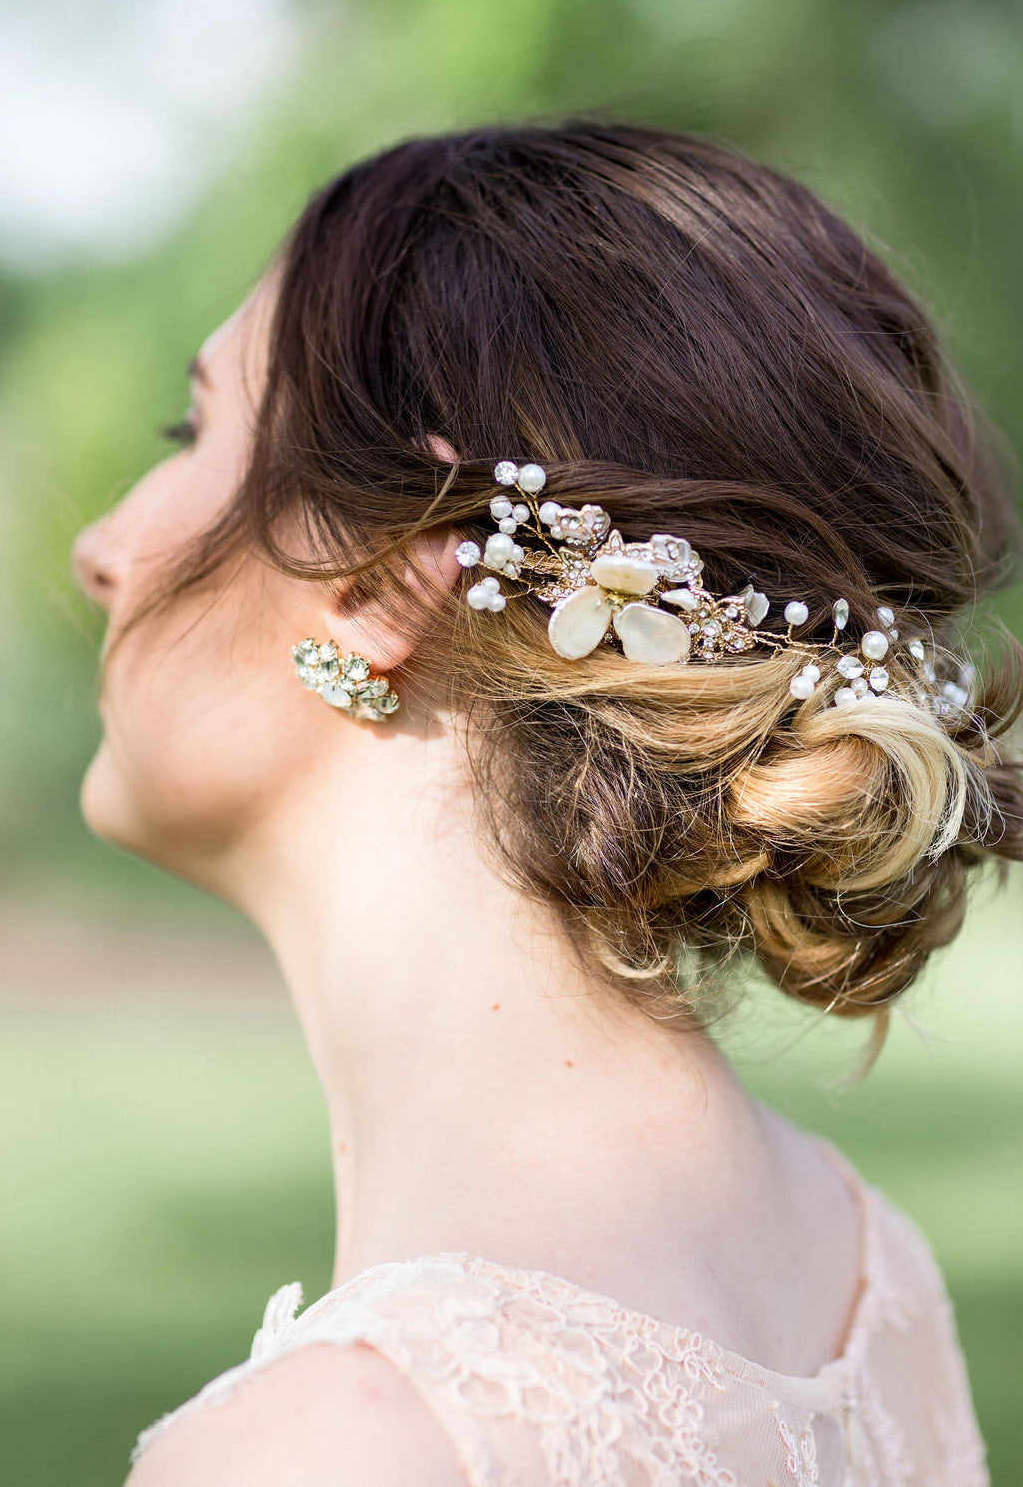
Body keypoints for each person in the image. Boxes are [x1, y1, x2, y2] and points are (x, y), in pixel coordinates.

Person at [73, 124, 1021, 1487]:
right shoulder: (868, 1274)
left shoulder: (340, 1451)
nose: (99, 549)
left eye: (196, 427)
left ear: (380, 578)